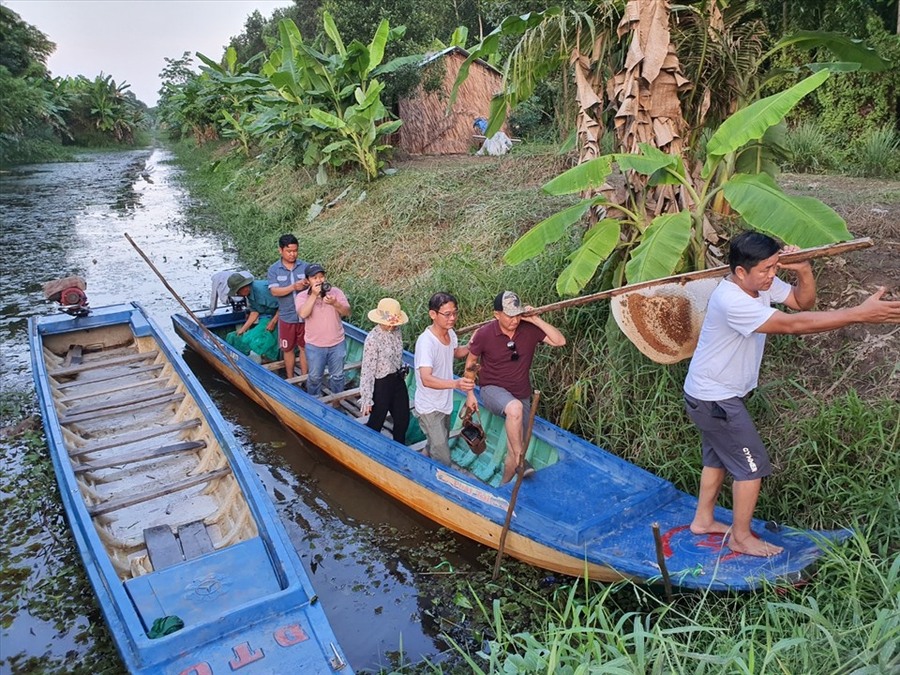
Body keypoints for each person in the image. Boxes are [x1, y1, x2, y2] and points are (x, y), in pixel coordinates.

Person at [683, 231, 900, 558]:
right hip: (715, 398)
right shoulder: (731, 300)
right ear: (741, 272)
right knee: (751, 466)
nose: (773, 275)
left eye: (776, 267)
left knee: (718, 457)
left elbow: (801, 302)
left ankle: (702, 520)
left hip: (710, 394)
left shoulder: (759, 283)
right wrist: (859, 313)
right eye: (766, 269)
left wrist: (803, 270)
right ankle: (740, 537)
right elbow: (792, 324)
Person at [464, 291, 566, 483]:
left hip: (521, 393)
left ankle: (504, 486)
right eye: (510, 315)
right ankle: (521, 459)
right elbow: (470, 366)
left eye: (518, 314)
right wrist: (470, 393)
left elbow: (560, 341)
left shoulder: (528, 329)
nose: (515, 320)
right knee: (514, 409)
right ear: (497, 314)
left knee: (515, 447)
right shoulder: (485, 334)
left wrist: (536, 319)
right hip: (492, 389)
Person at [413, 292, 475, 466]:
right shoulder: (426, 342)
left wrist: (471, 346)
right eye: (447, 314)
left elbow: (455, 353)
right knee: (443, 458)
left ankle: (420, 464)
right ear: (433, 314)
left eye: (455, 313)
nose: (452, 318)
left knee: (436, 443)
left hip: (444, 402)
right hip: (429, 407)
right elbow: (426, 379)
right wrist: (456, 384)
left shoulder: (450, 333)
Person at [359, 298, 411, 443]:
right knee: (377, 420)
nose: (391, 327)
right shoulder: (373, 339)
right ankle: (367, 447)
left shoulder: (397, 331)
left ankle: (399, 448)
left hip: (397, 378)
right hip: (381, 382)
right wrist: (367, 398)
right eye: (389, 324)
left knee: (403, 419)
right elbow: (367, 370)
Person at [296, 263, 351, 397]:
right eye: (315, 278)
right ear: (308, 280)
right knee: (314, 377)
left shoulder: (336, 292)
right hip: (315, 345)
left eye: (321, 277)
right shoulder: (302, 297)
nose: (319, 280)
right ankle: (315, 400)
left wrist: (335, 303)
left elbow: (347, 312)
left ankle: (337, 403)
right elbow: (303, 314)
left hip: (337, 343)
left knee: (337, 376)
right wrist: (314, 296)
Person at [267, 234, 309, 379]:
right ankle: (291, 378)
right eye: (289, 251)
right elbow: (274, 291)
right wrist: (293, 287)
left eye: (295, 251)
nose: (292, 254)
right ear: (281, 250)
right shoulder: (274, 270)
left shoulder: (305, 267)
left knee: (305, 348)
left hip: (305, 316)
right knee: (288, 349)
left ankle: (304, 378)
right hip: (287, 317)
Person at [224, 273, 281, 362]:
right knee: (253, 334)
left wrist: (273, 322)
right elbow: (254, 312)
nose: (238, 294)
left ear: (244, 287)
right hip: (272, 315)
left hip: (287, 313)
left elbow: (284, 304)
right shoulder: (249, 294)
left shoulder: (262, 290)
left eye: (238, 292)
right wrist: (243, 329)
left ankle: (273, 358)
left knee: (270, 337)